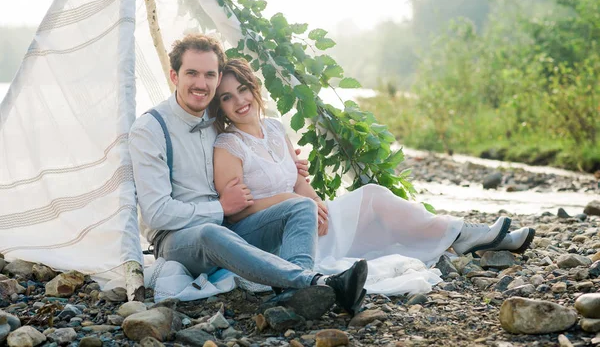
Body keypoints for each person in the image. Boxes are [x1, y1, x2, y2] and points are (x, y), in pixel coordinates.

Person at [210, 58, 536, 283]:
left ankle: (464, 233)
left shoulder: (275, 128)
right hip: (279, 239)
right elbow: (237, 214)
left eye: (243, 89)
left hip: (309, 216)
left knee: (374, 197)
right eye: (227, 97)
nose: (239, 101)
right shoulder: (228, 145)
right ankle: (468, 236)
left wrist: (316, 203)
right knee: (375, 206)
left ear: (254, 88)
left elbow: (297, 179)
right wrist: (295, 203)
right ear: (220, 106)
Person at [129, 34, 368, 319]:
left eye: (209, 75)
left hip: (231, 229)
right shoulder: (150, 129)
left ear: (217, 79)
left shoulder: (219, 121)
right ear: (174, 76)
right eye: (191, 73)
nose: (201, 83)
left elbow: (253, 153)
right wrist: (220, 207)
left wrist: (290, 167)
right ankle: (314, 281)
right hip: (179, 239)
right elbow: (156, 213)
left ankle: (294, 294)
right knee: (210, 231)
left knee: (302, 206)